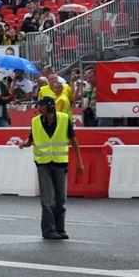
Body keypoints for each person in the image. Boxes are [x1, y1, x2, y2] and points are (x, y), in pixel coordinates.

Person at [19, 96, 84, 240]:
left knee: (61, 198)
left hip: (60, 163)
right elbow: (31, 139)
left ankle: (60, 228)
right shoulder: (35, 122)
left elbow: (73, 140)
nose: (38, 109)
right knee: (47, 199)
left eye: (40, 106)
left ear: (48, 107)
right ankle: (49, 230)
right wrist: (24, 144)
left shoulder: (64, 119)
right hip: (43, 163)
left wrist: (80, 162)